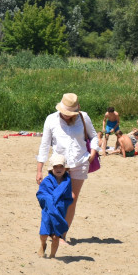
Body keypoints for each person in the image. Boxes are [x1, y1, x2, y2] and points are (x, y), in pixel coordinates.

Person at [35, 93, 98, 243]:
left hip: (80, 162)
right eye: (65, 113)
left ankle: (62, 234)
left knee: (72, 199)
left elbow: (94, 136)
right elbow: (44, 145)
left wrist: (94, 152)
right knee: (56, 199)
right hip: (59, 165)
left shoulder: (84, 117)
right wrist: (39, 169)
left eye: (70, 113)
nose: (67, 116)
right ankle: (53, 229)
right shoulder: (51, 119)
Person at [36, 153, 72, 259]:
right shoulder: (47, 181)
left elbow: (68, 197)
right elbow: (41, 194)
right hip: (48, 210)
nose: (59, 169)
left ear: (65, 168)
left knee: (56, 236)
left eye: (61, 166)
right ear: (52, 168)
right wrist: (49, 200)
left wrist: (62, 203)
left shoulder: (67, 181)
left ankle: (52, 256)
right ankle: (43, 244)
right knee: (44, 233)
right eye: (56, 167)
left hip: (59, 211)